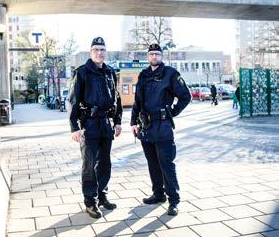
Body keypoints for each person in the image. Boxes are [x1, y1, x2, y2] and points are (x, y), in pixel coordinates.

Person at [130, 43, 191, 216]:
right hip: (146, 127)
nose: (154, 57)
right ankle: (158, 194)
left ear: (161, 56)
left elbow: (186, 96)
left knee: (166, 165)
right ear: (147, 57)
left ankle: (173, 201)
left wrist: (172, 113)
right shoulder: (143, 75)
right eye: (151, 54)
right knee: (153, 164)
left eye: (157, 54)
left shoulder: (170, 74)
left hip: (163, 127)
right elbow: (137, 101)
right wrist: (133, 122)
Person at [68, 37, 123, 218]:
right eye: (96, 49)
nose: (100, 53)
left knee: (105, 163)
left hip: (106, 124)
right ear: (90, 52)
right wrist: (74, 127)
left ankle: (102, 197)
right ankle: (90, 202)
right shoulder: (82, 72)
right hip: (89, 124)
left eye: (102, 49)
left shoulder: (110, 72)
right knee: (89, 164)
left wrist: (118, 121)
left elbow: (117, 98)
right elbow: (73, 100)